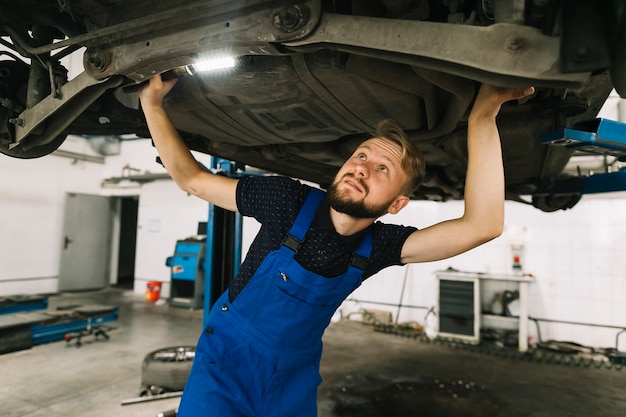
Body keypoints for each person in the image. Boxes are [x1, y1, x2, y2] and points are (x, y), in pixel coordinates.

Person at [139, 76, 534, 417]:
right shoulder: (287, 201)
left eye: (383, 168)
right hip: (225, 365)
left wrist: (483, 116)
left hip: (291, 380)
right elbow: (191, 179)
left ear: (397, 204)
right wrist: (151, 103)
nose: (362, 166)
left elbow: (482, 225)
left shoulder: (378, 246)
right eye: (361, 155)